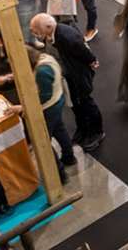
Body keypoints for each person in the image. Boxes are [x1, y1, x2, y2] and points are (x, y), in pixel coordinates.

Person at [30, 13, 104, 151]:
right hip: (67, 77)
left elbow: (84, 52)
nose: (35, 33)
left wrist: (92, 61)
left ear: (48, 27)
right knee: (75, 104)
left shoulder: (66, 36)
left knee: (86, 102)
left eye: (36, 30)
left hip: (77, 77)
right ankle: (82, 128)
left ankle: (97, 132)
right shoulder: (51, 35)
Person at [25, 48, 75, 182]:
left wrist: (24, 106)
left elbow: (44, 96)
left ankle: (60, 174)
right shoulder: (45, 58)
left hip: (49, 107)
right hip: (57, 100)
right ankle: (69, 157)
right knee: (60, 130)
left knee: (43, 142)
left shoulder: (41, 71)